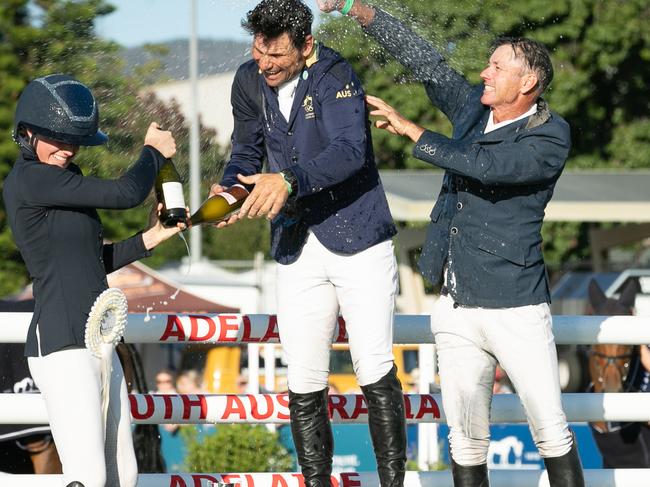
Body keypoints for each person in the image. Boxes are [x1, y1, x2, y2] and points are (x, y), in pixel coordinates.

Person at [317, 1, 585, 486]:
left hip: (516, 305)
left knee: (550, 432)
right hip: (455, 304)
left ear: (527, 83)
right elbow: (427, 62)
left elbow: (490, 169)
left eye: (496, 67)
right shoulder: (472, 110)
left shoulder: (551, 133)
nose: (484, 73)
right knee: (464, 438)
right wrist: (362, 10)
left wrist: (413, 131)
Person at [209, 1, 406, 485]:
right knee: (302, 376)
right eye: (258, 50)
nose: (265, 63)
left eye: (276, 53)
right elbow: (246, 152)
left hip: (358, 237)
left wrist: (288, 181)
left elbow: (350, 152)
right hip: (296, 242)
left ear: (306, 46)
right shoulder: (246, 79)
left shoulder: (336, 72)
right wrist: (229, 191)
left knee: (374, 366)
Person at [2, 74, 184, 487]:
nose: (67, 150)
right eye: (58, 139)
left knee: (125, 473)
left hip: (98, 342)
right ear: (26, 133)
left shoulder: (60, 180)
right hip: (62, 344)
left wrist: (150, 237)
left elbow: (89, 261)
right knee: (89, 476)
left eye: (74, 141)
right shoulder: (31, 179)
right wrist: (152, 153)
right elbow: (125, 193)